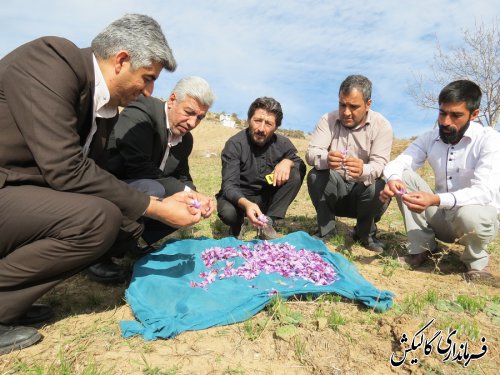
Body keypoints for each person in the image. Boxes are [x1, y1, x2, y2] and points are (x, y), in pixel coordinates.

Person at [0, 14, 204, 354]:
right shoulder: (52, 59)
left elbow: (96, 175)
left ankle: (9, 304)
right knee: (99, 220)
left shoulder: (104, 110)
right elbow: (66, 168)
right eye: (148, 78)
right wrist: (156, 208)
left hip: (20, 196)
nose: (149, 91)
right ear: (122, 60)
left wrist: (139, 221)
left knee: (118, 223)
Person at [380, 80, 499, 281]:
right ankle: (422, 248)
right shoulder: (430, 138)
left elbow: (485, 192)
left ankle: (476, 263)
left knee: (472, 212)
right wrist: (393, 179)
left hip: (473, 221)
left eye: (456, 115)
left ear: (475, 114)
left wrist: (436, 199)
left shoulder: (490, 140)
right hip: (441, 218)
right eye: (442, 113)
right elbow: (398, 164)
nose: (445, 121)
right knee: (404, 175)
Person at [100, 76, 214, 268]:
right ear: (172, 100)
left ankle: (130, 243)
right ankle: (100, 253)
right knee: (154, 188)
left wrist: (195, 197)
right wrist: (188, 194)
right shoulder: (143, 110)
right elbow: (139, 167)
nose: (192, 123)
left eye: (200, 118)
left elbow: (183, 176)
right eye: (189, 112)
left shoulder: (185, 140)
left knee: (188, 205)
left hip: (143, 193)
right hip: (108, 186)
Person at [306, 75, 393, 252]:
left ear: (368, 104)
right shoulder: (328, 120)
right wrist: (326, 158)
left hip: (364, 196)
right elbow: (311, 153)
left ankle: (365, 234)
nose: (346, 112)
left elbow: (380, 165)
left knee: (379, 185)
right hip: (335, 191)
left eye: (353, 107)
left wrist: (364, 169)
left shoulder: (382, 126)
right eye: (342, 104)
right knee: (316, 174)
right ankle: (326, 230)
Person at [216, 97, 306, 240]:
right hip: (239, 198)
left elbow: (299, 163)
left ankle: (268, 222)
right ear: (249, 120)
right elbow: (229, 186)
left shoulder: (283, 143)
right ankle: (238, 224)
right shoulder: (234, 144)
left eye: (268, 123)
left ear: (276, 127)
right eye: (257, 121)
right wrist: (246, 204)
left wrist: (288, 162)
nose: (261, 129)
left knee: (295, 172)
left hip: (265, 198)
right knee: (228, 213)